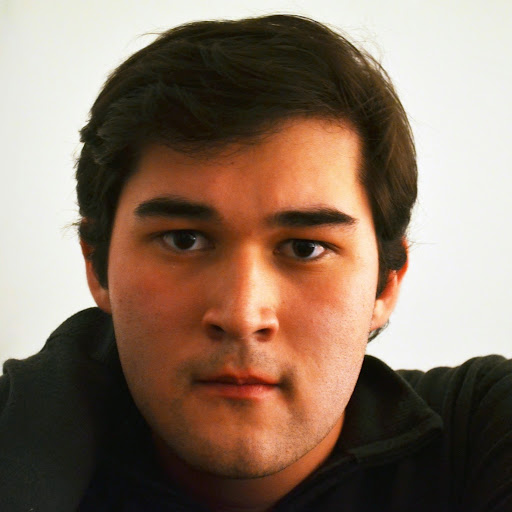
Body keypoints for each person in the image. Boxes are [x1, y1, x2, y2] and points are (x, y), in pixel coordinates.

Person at [0, 14, 510, 512]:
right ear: (97, 265)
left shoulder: (484, 428)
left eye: (305, 248)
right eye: (183, 240)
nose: (243, 316)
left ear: (386, 282)